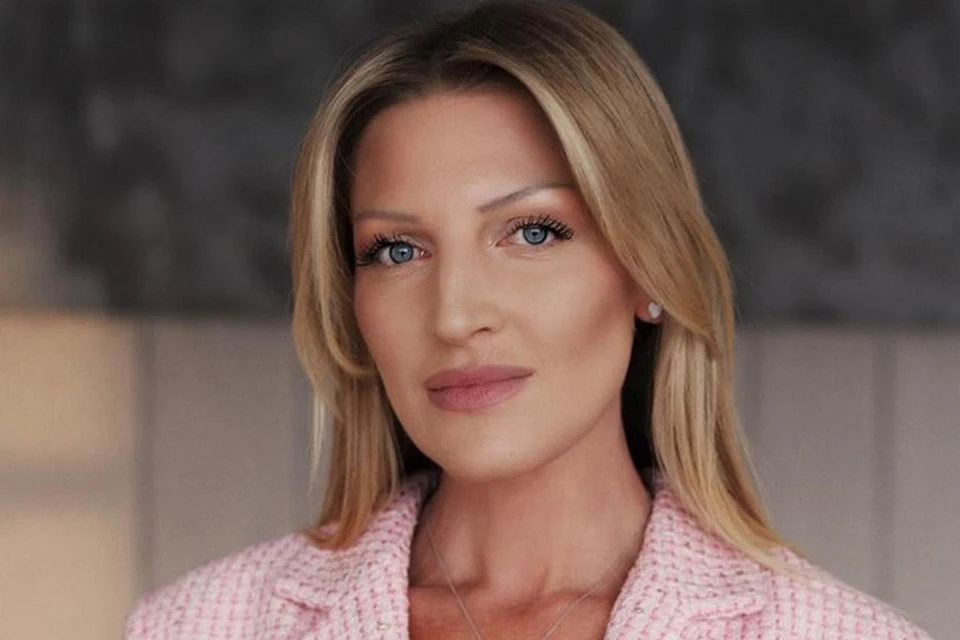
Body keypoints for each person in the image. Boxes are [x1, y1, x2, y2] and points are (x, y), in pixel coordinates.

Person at [126, 1, 932, 638]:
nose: (456, 315)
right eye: (397, 250)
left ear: (648, 269)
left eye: (533, 233)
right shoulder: (201, 625)